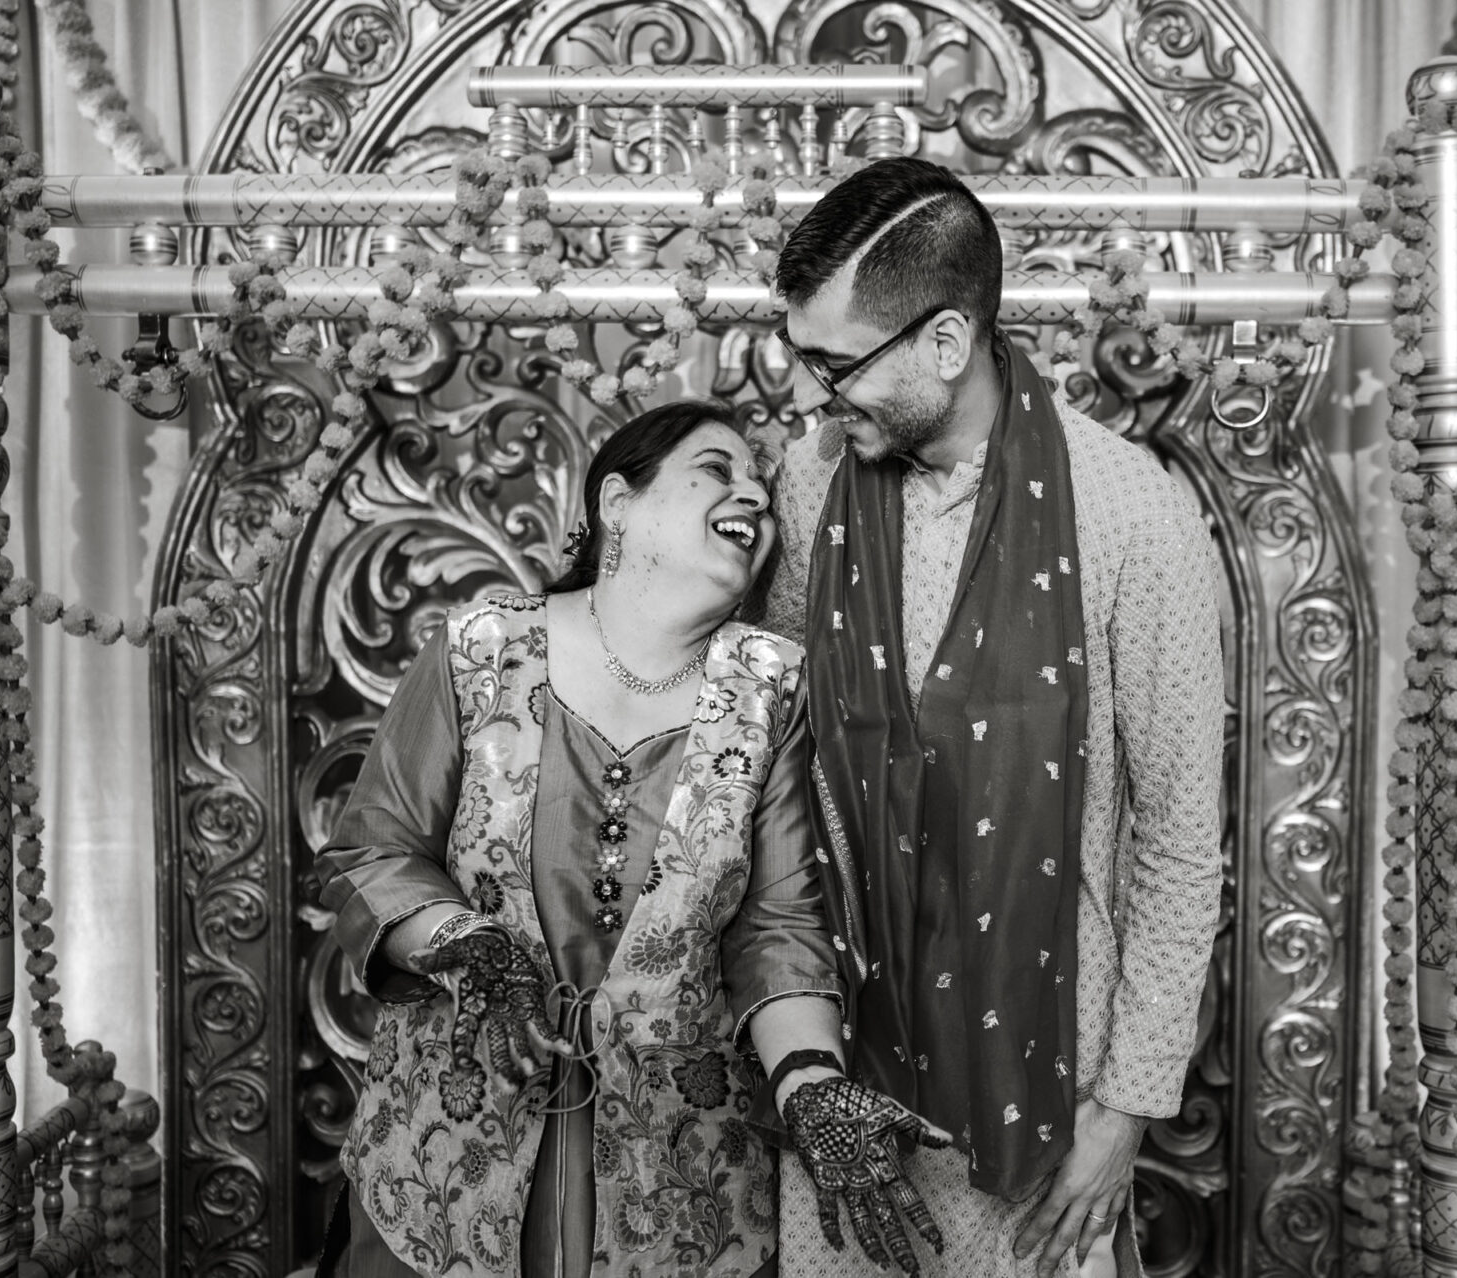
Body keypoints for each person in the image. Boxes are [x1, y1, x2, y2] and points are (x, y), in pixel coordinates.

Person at [313, 400, 942, 1278]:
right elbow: (373, 849)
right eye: (718, 468)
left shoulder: (773, 691)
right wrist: (466, 946)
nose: (753, 492)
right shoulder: (478, 649)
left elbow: (779, 929)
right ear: (619, 501)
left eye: (760, 479)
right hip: (449, 1154)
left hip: (679, 1178)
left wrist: (810, 1082)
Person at [758, 157, 1227, 1278]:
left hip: (1048, 1085)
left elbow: (1175, 838)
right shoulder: (812, 483)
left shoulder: (1130, 513)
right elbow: (773, 756)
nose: (814, 395)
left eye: (835, 364)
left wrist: (1124, 1113)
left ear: (944, 341)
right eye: (802, 360)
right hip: (845, 1065)